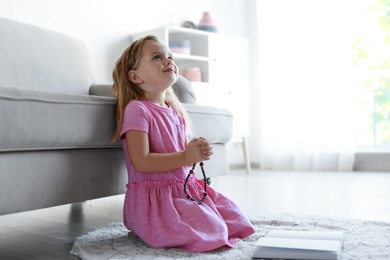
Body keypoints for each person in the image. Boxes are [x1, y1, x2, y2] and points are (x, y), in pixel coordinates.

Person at [111, 35, 255, 253]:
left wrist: (195, 153)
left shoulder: (175, 112)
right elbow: (141, 162)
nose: (169, 61)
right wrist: (186, 157)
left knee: (235, 217)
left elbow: (183, 161)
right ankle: (145, 224)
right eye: (158, 57)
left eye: (169, 56)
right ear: (136, 76)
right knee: (212, 229)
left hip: (183, 189)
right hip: (157, 200)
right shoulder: (137, 110)